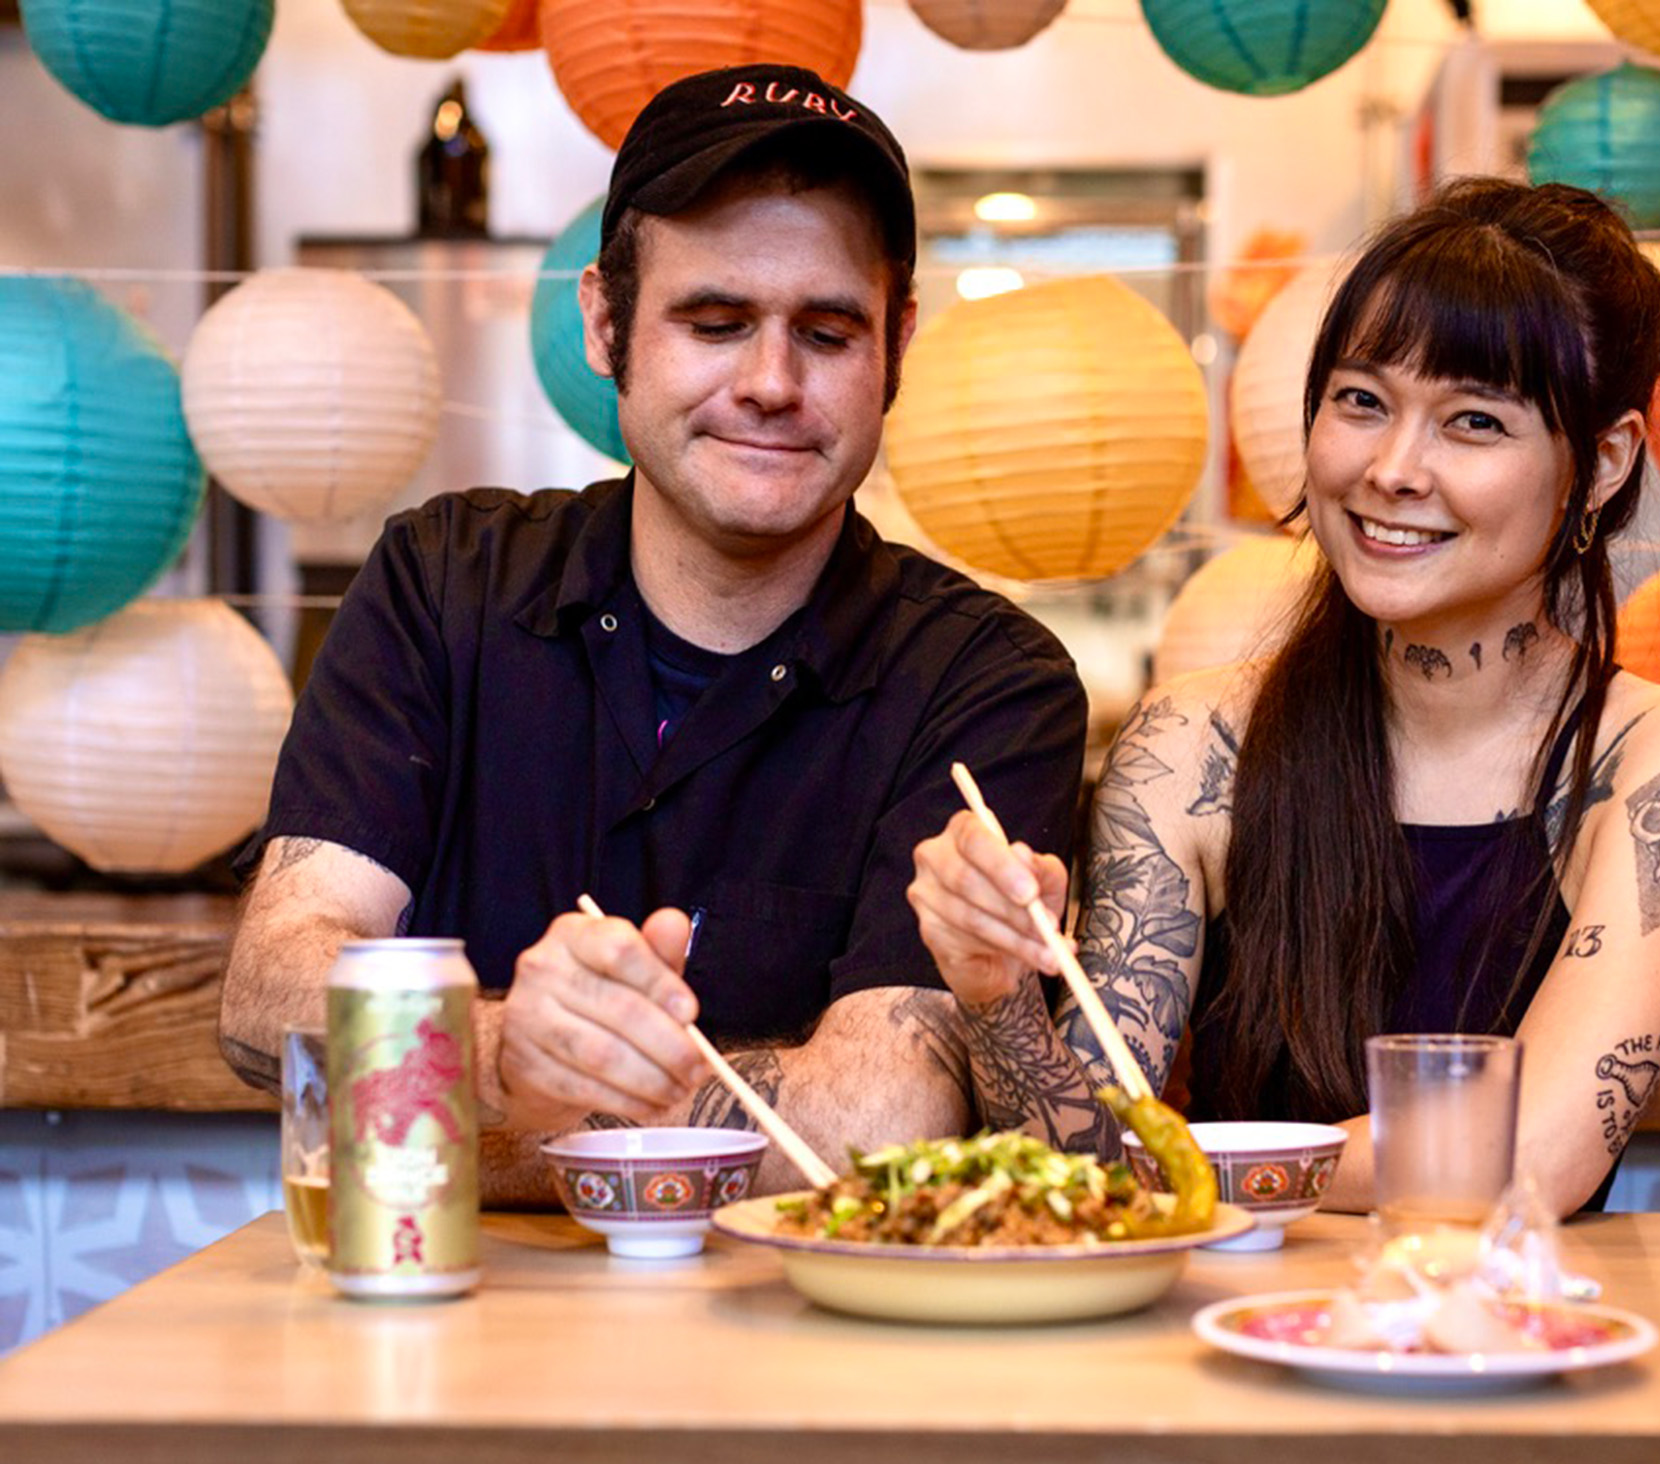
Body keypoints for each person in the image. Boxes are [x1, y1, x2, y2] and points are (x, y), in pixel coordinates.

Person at [219, 63, 1089, 1202]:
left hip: (806, 1307)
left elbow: (879, 1126)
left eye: (828, 332)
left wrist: (457, 1098)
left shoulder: (986, 680)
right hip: (441, 1295)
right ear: (604, 321)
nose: (770, 382)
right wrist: (496, 1049)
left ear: (897, 347)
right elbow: (272, 985)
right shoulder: (442, 584)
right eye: (715, 323)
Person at [907, 177, 1660, 1219]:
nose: (1392, 468)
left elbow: (1531, 1153)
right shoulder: (1192, 743)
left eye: (1473, 421)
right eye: (1361, 401)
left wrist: (1180, 1166)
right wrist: (995, 995)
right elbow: (1077, 1171)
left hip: (1496, 1311)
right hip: (1235, 1307)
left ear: (1602, 463)